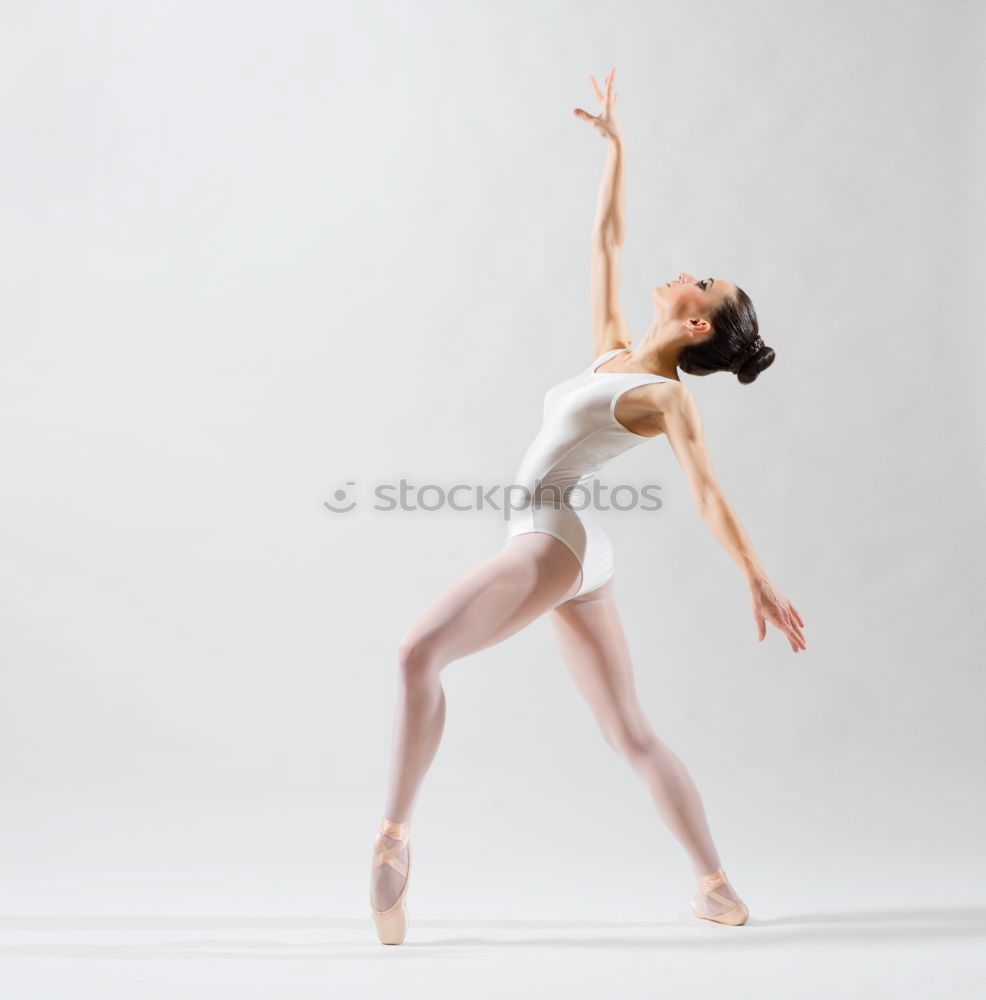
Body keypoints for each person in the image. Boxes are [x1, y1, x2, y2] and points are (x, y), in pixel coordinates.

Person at [369, 68, 806, 945]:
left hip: (551, 539)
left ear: (695, 328)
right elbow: (606, 242)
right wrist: (617, 148)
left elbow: (707, 493)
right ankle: (716, 887)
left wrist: (756, 577)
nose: (687, 274)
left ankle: (393, 837)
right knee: (631, 732)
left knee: (418, 652)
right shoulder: (614, 351)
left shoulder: (664, 396)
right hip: (575, 551)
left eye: (702, 286)